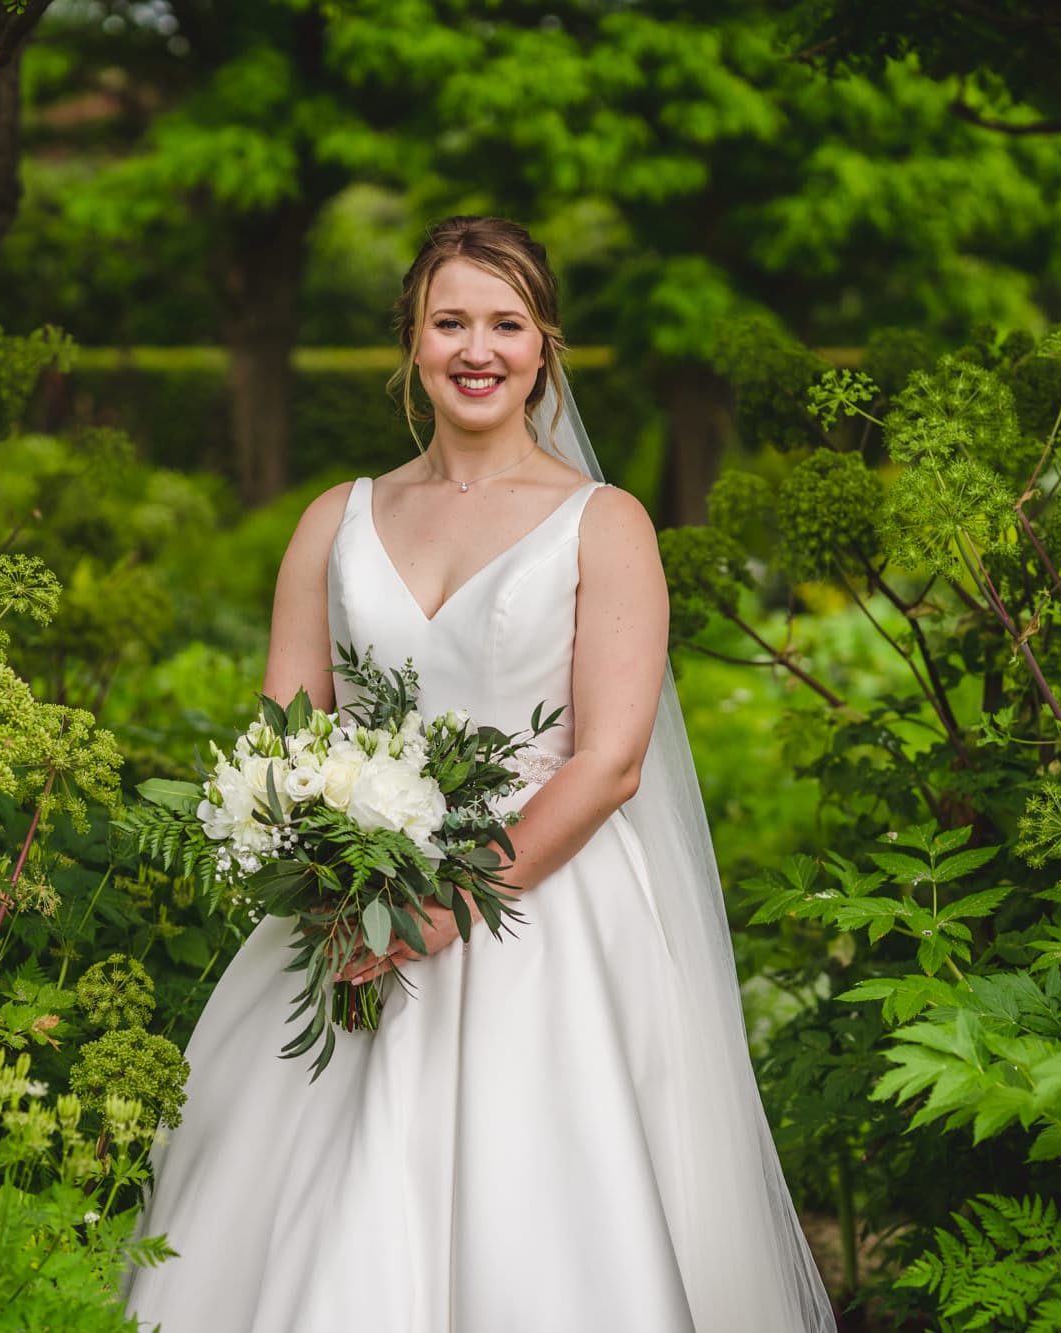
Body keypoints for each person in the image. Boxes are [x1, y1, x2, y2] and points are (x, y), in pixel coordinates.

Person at [122, 216, 838, 1332]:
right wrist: (328, 873)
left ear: (542, 347)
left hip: (542, 914)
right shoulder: (334, 521)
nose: (477, 348)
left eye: (505, 324)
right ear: (411, 341)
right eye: (449, 321)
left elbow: (606, 761)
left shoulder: (604, 524)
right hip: (346, 913)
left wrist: (448, 907)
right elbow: (285, 736)